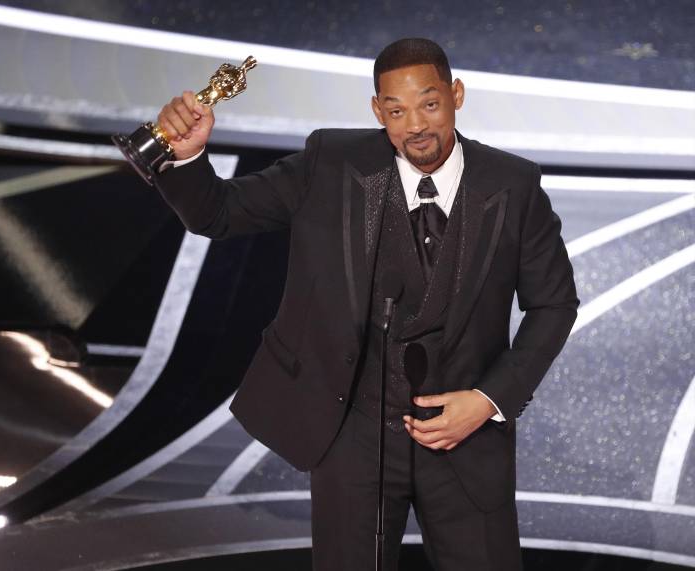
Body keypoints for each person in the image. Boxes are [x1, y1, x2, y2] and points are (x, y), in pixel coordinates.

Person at [153, 38, 578, 571]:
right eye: (396, 110)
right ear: (378, 111)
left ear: (457, 95)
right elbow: (218, 214)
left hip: (466, 437)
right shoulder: (331, 163)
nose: (415, 125)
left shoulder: (513, 185)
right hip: (354, 434)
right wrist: (189, 155)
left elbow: (555, 305)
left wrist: (488, 399)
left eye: (429, 103)